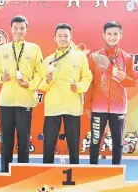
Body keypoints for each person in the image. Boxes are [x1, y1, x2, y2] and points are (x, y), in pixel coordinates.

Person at [0, 15, 43, 172]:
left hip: (25, 101)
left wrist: (30, 84)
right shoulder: (2, 49)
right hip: (6, 101)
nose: (19, 31)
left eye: (22, 28)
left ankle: (22, 171)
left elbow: (40, 73)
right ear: (11, 29)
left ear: (26, 29)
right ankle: (5, 170)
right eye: (16, 28)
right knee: (6, 139)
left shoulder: (34, 49)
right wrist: (2, 77)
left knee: (24, 139)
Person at [39, 23, 92, 164]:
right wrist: (47, 81)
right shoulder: (47, 60)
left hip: (72, 106)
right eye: (60, 36)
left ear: (71, 37)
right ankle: (46, 170)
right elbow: (41, 85)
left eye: (66, 36)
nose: (63, 39)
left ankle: (75, 169)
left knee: (74, 144)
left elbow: (87, 77)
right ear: (54, 38)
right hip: (52, 107)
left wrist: (80, 87)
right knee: (49, 143)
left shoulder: (80, 57)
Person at [85, 21, 137, 165]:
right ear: (104, 35)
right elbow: (90, 83)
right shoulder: (94, 57)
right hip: (97, 107)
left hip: (118, 108)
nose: (112, 37)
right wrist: (88, 106)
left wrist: (124, 78)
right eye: (109, 34)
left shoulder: (127, 58)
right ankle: (92, 171)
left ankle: (116, 173)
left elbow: (133, 82)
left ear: (121, 35)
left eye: (115, 34)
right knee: (95, 141)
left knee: (118, 143)